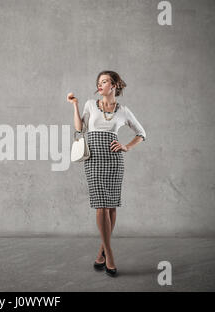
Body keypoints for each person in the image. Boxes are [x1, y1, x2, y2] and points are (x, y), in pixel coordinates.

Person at [67, 70, 146, 277]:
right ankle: (109, 253)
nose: (100, 85)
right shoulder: (90, 105)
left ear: (114, 85)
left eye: (104, 81)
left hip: (114, 161)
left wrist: (126, 147)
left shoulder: (123, 110)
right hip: (93, 159)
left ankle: (101, 252)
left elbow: (141, 133)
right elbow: (80, 128)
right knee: (100, 206)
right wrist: (75, 105)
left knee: (111, 206)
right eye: (98, 82)